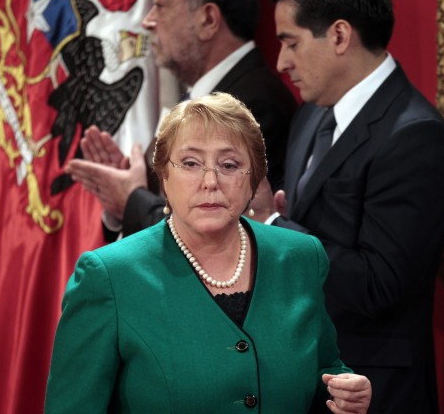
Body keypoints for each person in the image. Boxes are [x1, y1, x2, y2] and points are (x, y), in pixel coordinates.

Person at [44, 93, 371, 413]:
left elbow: (324, 371)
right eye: (190, 163)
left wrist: (344, 394)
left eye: (229, 165)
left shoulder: (300, 257)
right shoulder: (109, 277)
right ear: (164, 176)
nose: (210, 181)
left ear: (254, 180)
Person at [251, 0, 444, 413]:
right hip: (304, 378)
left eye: (290, 42)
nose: (281, 63)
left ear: (340, 35)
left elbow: (380, 284)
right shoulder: (312, 112)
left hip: (374, 390)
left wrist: (275, 226)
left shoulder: (417, 137)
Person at [66, 0, 297, 242]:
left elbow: (211, 234)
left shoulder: (253, 106)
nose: (148, 21)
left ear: (208, 20)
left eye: (161, 5)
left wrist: (130, 199)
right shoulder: (206, 95)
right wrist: (126, 188)